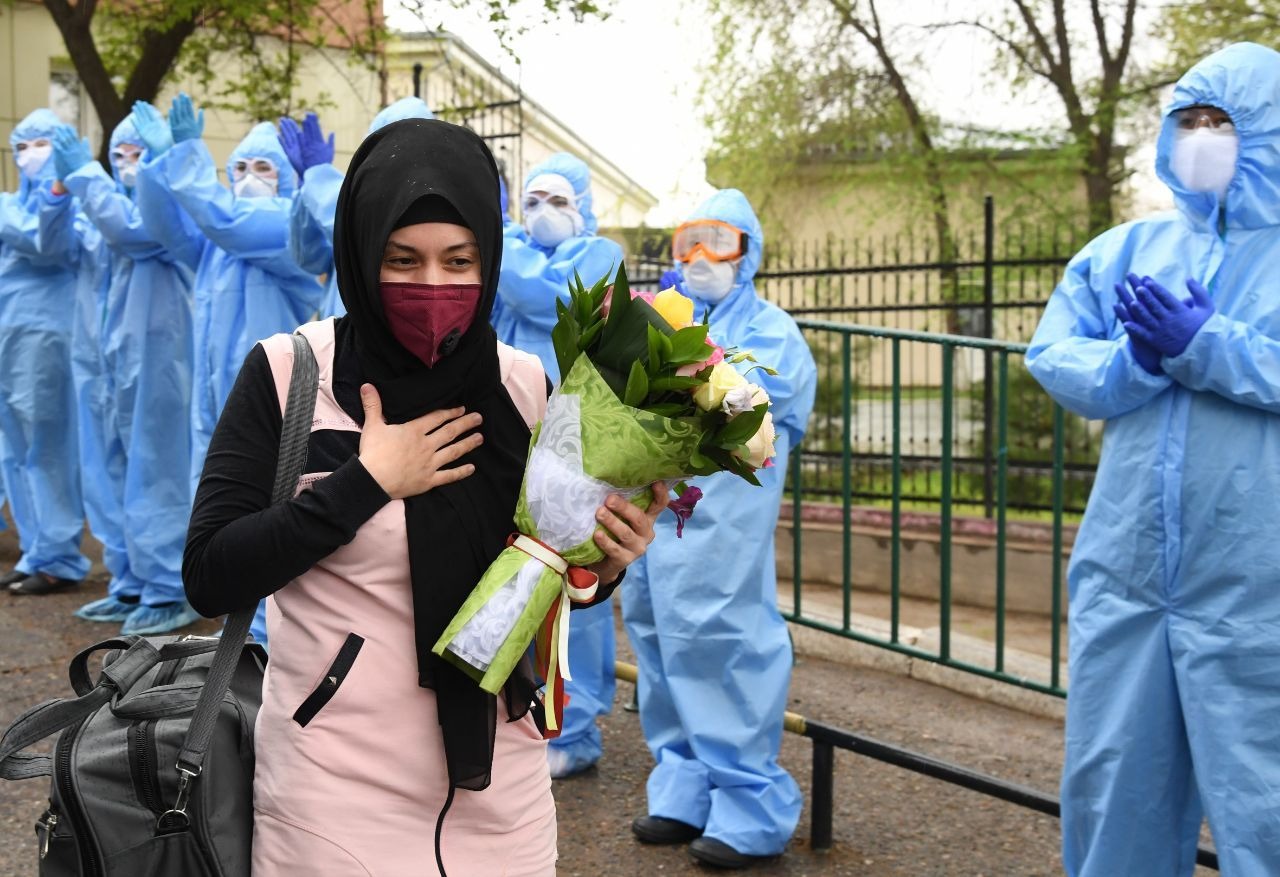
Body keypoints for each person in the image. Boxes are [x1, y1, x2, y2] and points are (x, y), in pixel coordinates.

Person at [183, 117, 667, 875]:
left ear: (490, 257)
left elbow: (542, 577)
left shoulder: (523, 387)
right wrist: (364, 484)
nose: (434, 286)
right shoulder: (291, 375)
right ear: (361, 252)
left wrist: (604, 565)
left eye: (459, 260)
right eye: (402, 260)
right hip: (332, 792)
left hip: (503, 790)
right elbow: (211, 574)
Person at [1026, 42, 1280, 877]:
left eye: (1223, 122)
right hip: (1129, 573)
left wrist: (1208, 344)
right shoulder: (1125, 250)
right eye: (1189, 120)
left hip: (1259, 585)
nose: (1201, 137)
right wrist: (1132, 361)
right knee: (1114, 787)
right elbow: (1054, 355)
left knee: (1266, 799)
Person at [621, 189, 816, 869]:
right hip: (658, 517)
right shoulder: (665, 318)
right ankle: (683, 784)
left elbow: (749, 401)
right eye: (688, 242)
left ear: (748, 253)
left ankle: (750, 803)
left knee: (724, 642)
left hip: (723, 527)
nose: (701, 256)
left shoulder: (772, 331)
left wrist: (685, 361)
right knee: (656, 637)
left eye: (719, 241)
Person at [131, 94, 323, 645]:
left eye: (264, 167)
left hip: (273, 401)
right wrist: (157, 163)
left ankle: (265, 636)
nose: (248, 178)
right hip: (213, 397)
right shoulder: (217, 246)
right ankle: (239, 630)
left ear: (287, 179)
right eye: (238, 167)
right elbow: (167, 225)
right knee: (223, 511)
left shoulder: (282, 227)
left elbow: (224, 220)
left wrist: (188, 155)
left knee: (272, 509)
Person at [493, 152, 625, 779]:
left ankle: (573, 727)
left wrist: (496, 235)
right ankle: (511, 710)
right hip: (511, 430)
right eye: (532, 201)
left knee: (573, 573)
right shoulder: (512, 252)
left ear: (584, 209)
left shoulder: (597, 255)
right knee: (509, 566)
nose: (542, 213)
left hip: (575, 441)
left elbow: (542, 296)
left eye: (558, 201)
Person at [48, 118, 198, 635]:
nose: (127, 163)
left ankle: (168, 586)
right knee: (104, 465)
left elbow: (135, 233)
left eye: (139, 154)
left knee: (155, 466)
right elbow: (57, 246)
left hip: (157, 351)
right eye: (119, 155)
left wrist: (86, 179)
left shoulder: (167, 209)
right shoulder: (99, 204)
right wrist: (57, 192)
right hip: (100, 356)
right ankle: (129, 580)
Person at [0, 108, 90, 595]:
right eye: (21, 147)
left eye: (41, 145)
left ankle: (59, 557)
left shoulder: (74, 203)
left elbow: (48, 245)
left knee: (47, 445)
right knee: (14, 449)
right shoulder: (9, 204)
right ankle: (34, 550)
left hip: (46, 333)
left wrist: (52, 199)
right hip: (10, 334)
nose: (29, 155)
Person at [284, 97, 434, 319]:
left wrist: (317, 176)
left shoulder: (431, 202)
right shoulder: (351, 193)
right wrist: (305, 188)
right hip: (340, 333)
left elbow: (364, 229)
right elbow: (311, 258)